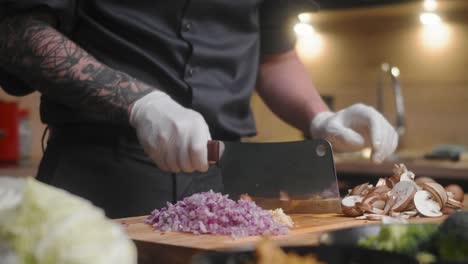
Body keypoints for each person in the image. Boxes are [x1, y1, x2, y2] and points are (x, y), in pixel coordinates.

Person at [0, 1, 398, 218]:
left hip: (225, 187)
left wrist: (319, 117)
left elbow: (274, 53)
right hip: (96, 179)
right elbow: (16, 32)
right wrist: (140, 102)